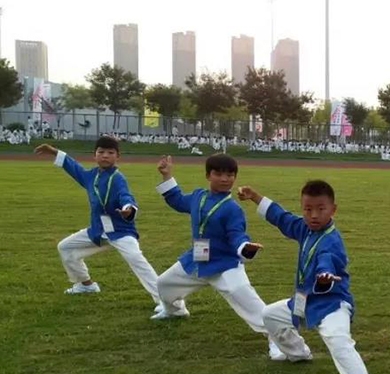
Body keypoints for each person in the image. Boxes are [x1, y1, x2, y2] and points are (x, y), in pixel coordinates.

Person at [237, 180, 383, 374]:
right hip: (303, 302)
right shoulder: (304, 228)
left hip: (332, 305)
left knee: (338, 341)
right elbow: (280, 217)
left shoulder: (331, 241)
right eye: (308, 209)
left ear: (333, 210)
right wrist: (254, 197)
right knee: (270, 315)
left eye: (320, 209)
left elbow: (328, 260)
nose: (313, 215)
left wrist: (325, 277)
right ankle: (298, 353)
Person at [151, 154, 285, 360]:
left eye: (230, 175)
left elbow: (237, 234)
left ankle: (277, 340)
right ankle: (175, 310)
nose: (225, 179)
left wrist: (245, 248)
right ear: (208, 175)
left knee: (247, 299)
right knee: (163, 284)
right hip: (197, 259)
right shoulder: (198, 196)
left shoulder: (232, 209)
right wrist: (167, 175)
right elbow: (177, 201)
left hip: (225, 265)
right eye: (219, 174)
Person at [35, 139, 183, 315]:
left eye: (110, 153)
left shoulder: (118, 178)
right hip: (98, 231)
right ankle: (85, 285)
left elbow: (126, 196)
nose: (105, 155)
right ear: (95, 155)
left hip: (121, 232)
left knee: (137, 260)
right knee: (65, 248)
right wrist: (53, 151)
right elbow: (73, 166)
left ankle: (164, 301)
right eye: (101, 152)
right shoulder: (90, 176)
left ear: (117, 156)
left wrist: (128, 209)